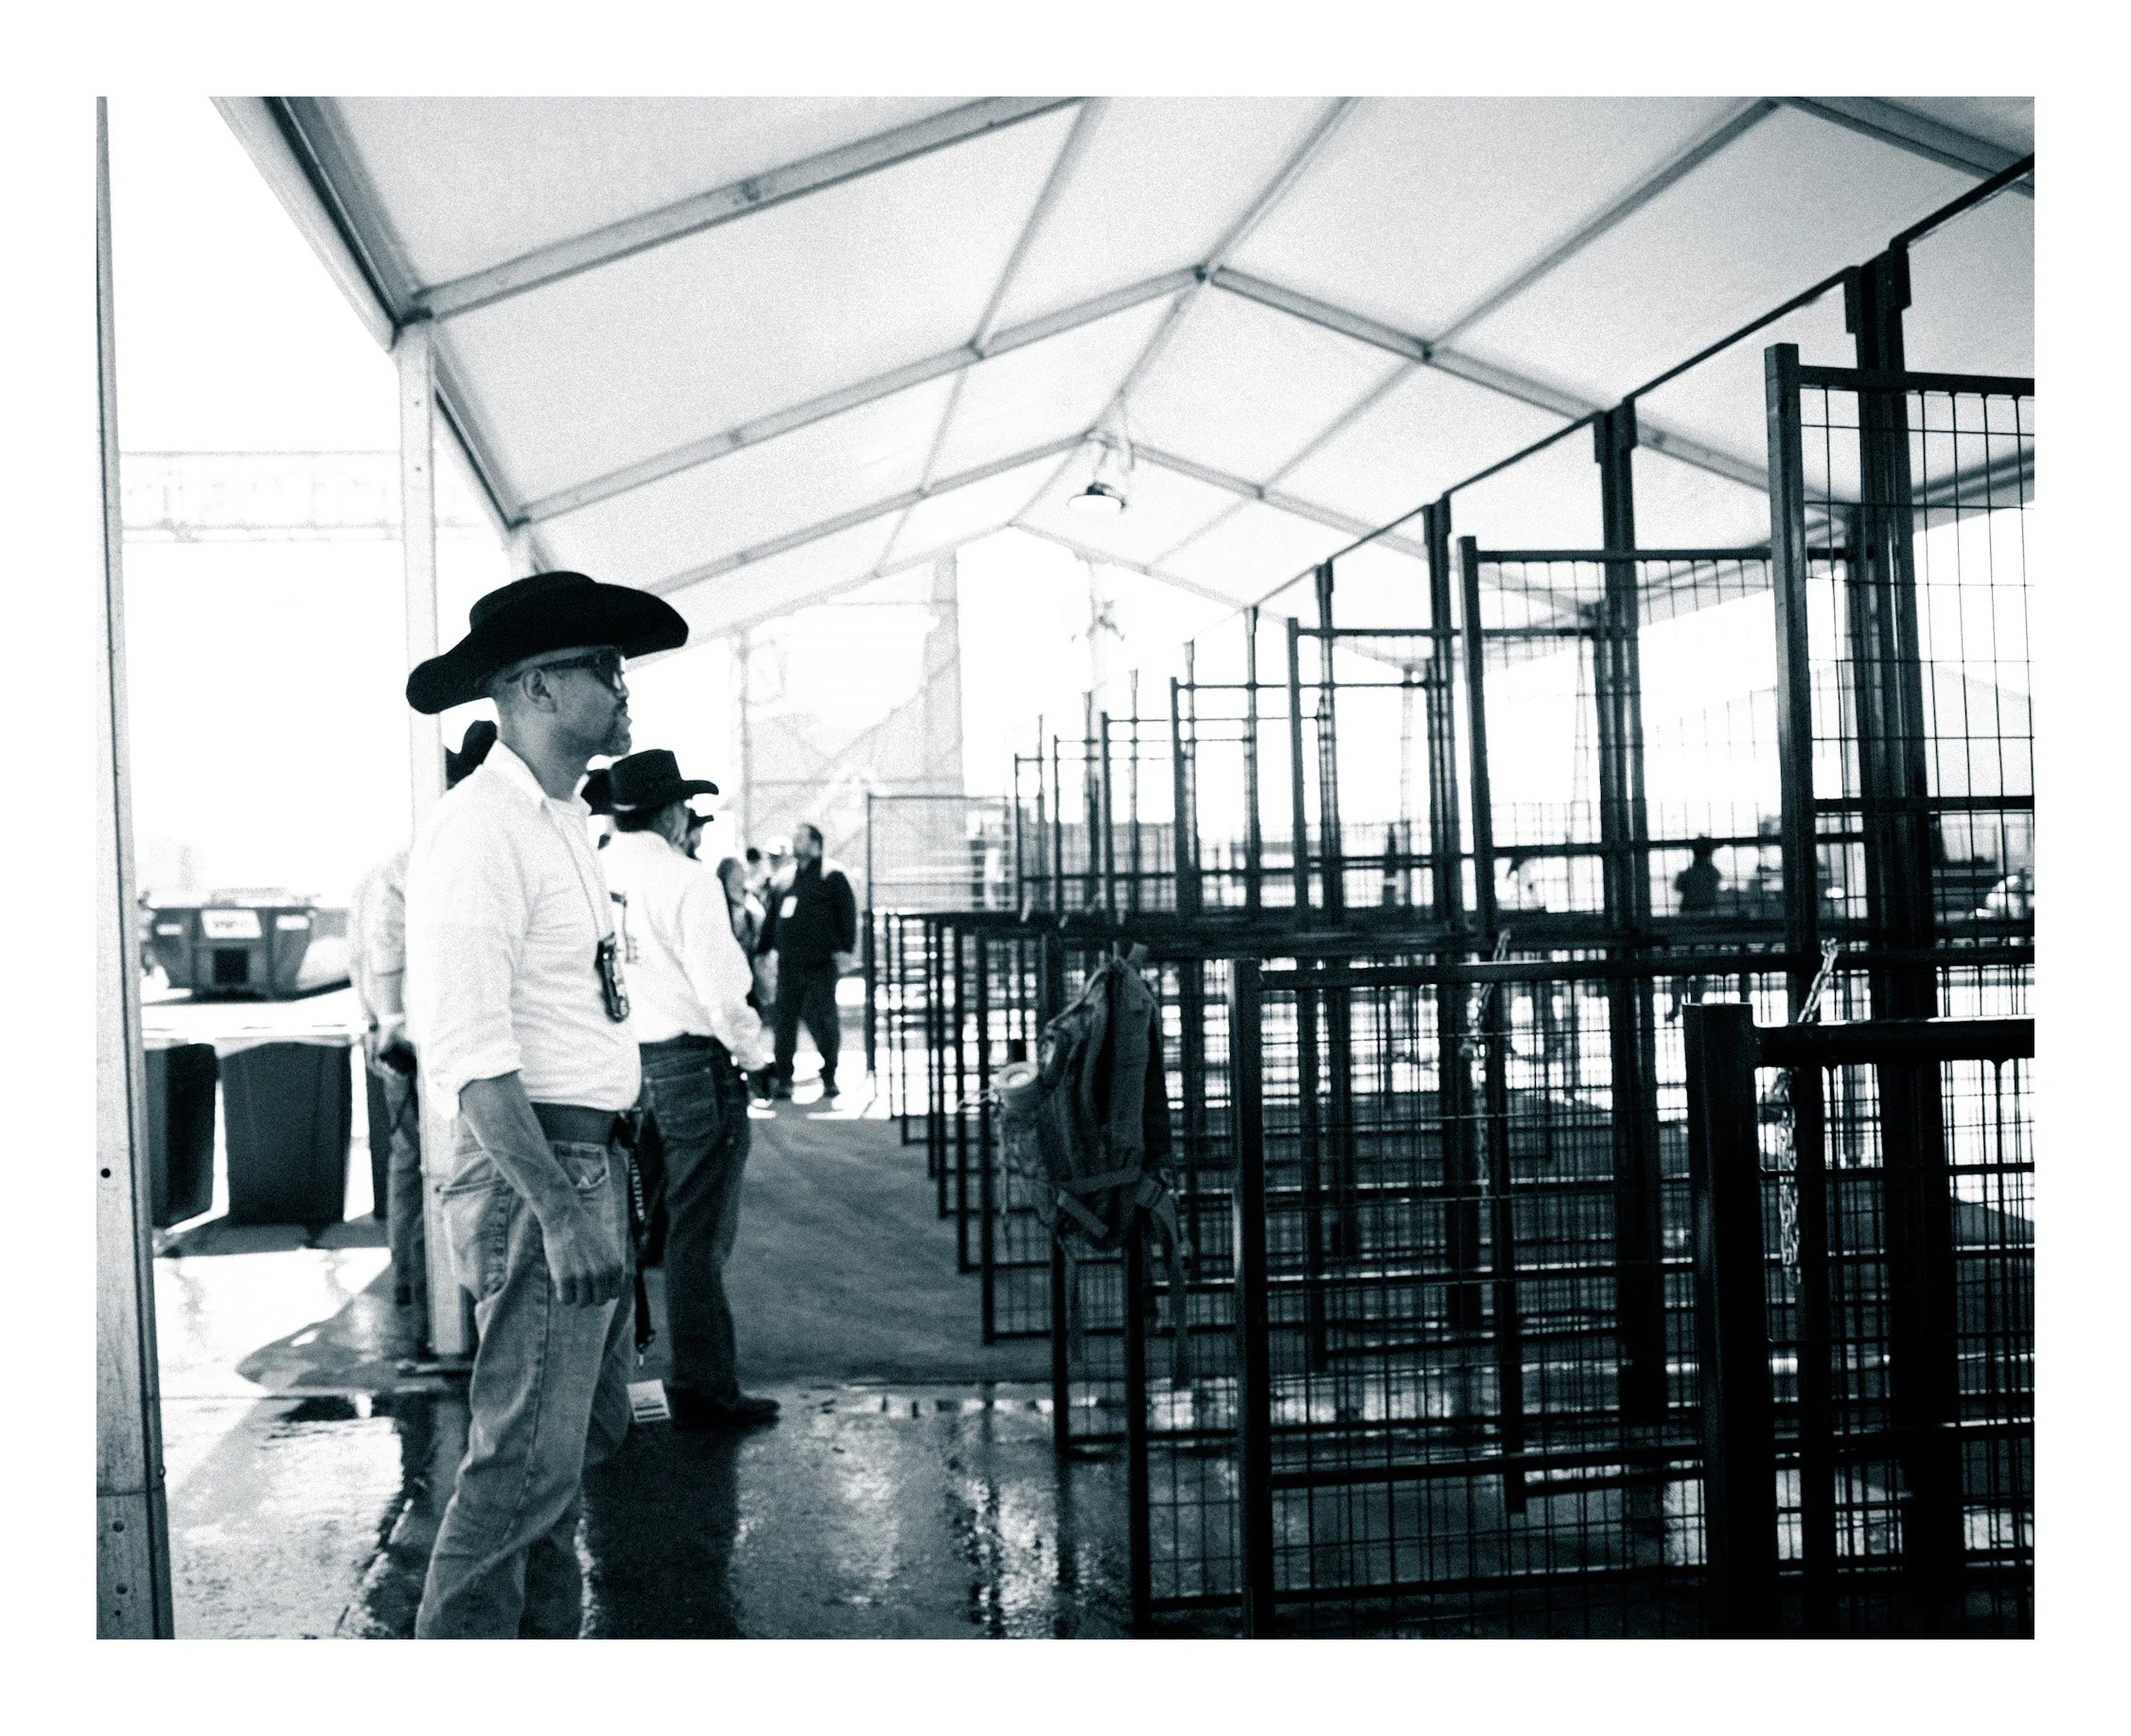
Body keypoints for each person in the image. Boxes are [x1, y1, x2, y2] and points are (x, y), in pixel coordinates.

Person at [401, 569, 687, 1640]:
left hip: (589, 1159)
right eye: (602, 668)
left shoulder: (560, 819)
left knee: (568, 1453)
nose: (622, 684)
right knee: (519, 1468)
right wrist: (561, 1210)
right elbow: (472, 1055)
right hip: (544, 1171)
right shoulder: (480, 831)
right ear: (533, 688)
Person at [598, 750, 780, 1431]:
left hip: (625, 1063)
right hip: (694, 1062)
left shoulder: (597, 868)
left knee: (620, 1228)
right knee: (696, 1235)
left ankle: (607, 1381)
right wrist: (752, 1053)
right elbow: (721, 988)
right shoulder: (685, 879)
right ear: (673, 812)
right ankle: (705, 1386)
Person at [348, 718, 497, 1360]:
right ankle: (429, 1288)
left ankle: (414, 1280)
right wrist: (393, 1026)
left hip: (400, 1037)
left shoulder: (400, 854)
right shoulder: (424, 853)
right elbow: (385, 944)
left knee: (413, 1164)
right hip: (412, 1042)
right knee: (431, 1164)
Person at [757, 822, 857, 1102]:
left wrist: (846, 948)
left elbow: (847, 914)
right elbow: (772, 916)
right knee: (784, 1024)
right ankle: (785, 1080)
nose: (795, 842)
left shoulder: (832, 876)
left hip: (820, 965)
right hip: (789, 966)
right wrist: (763, 949)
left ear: (816, 844)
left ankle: (829, 1075)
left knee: (824, 1022)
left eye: (801, 838)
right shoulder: (784, 880)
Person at [717, 855, 777, 1103]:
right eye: (736, 870)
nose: (741, 873)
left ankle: (749, 1067)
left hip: (750, 968)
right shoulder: (717, 898)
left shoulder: (750, 898)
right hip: (726, 970)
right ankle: (744, 1069)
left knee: (753, 1016)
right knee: (732, 1018)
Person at [1675, 837, 1722, 915]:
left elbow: (1678, 887)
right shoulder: (1714, 874)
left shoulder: (1685, 875)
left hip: (1687, 914)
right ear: (1710, 853)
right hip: (1707, 913)